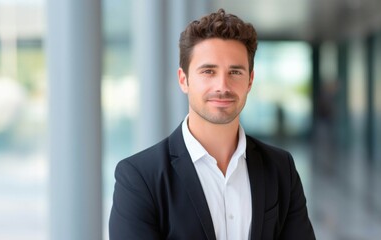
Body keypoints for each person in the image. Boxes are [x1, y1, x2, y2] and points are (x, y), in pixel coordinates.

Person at [109, 8, 315, 240]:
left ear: (250, 81)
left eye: (235, 72)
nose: (222, 86)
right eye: (208, 71)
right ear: (183, 80)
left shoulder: (280, 168)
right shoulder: (139, 178)